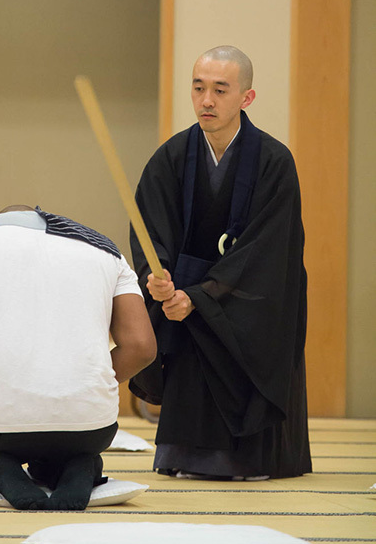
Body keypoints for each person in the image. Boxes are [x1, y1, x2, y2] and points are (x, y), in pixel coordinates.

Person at [129, 46, 312, 480]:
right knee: (185, 340)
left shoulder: (274, 162)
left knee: (250, 331)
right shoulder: (171, 158)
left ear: (246, 98)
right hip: (183, 298)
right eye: (198, 88)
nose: (206, 100)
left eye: (219, 89)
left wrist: (202, 297)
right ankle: (181, 455)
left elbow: (268, 252)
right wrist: (159, 282)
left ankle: (249, 461)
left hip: (246, 298)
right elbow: (149, 230)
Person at [0, 205, 156, 510]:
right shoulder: (106, 249)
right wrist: (93, 378)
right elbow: (142, 348)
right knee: (64, 450)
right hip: (90, 428)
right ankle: (81, 467)